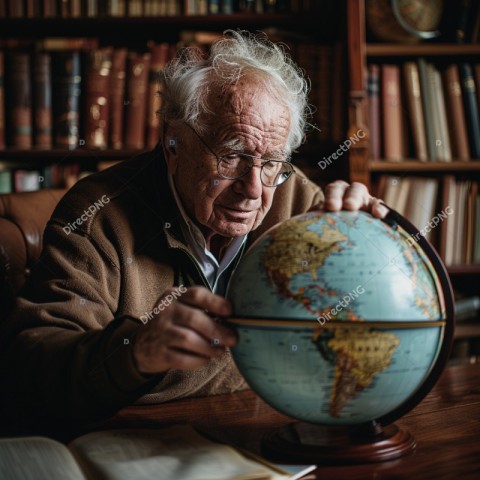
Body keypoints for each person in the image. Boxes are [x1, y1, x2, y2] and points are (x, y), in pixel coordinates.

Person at [0, 30, 387, 431]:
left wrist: (376, 243)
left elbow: (361, 329)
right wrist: (137, 350)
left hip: (261, 432)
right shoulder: (97, 214)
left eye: (271, 161)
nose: (253, 188)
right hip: (133, 441)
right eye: (232, 155)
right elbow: (32, 367)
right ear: (173, 145)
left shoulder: (300, 203)